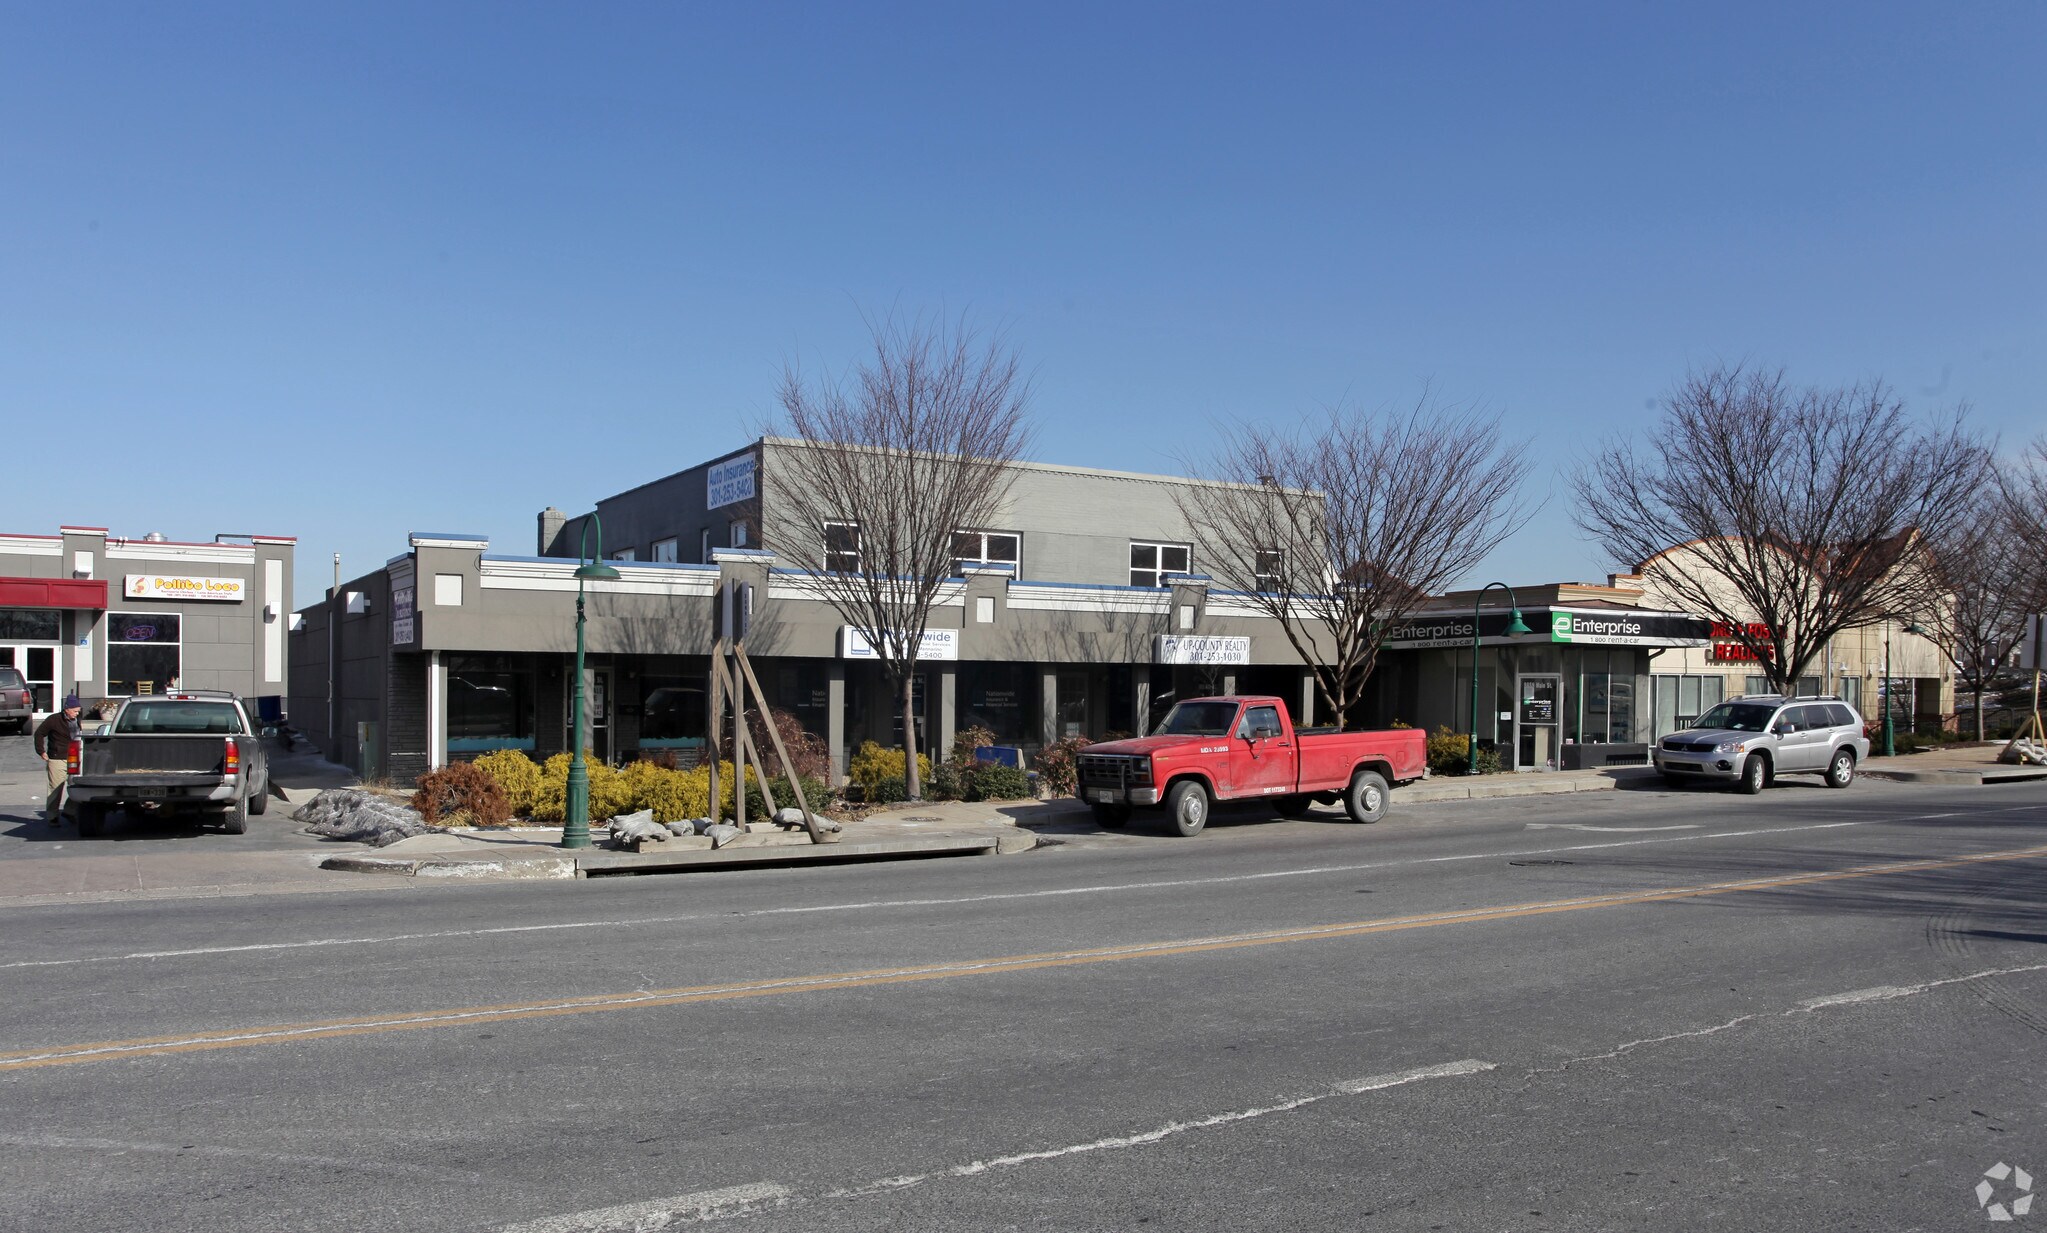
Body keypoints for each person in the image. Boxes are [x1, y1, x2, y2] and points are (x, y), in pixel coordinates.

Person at [34, 694, 85, 825]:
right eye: (75, 711)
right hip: (58, 758)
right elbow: (39, 733)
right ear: (67, 709)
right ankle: (53, 816)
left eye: (78, 711)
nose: (77, 713)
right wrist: (41, 751)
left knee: (78, 785)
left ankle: (69, 811)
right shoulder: (53, 719)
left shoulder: (77, 719)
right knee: (56, 788)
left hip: (75, 757)